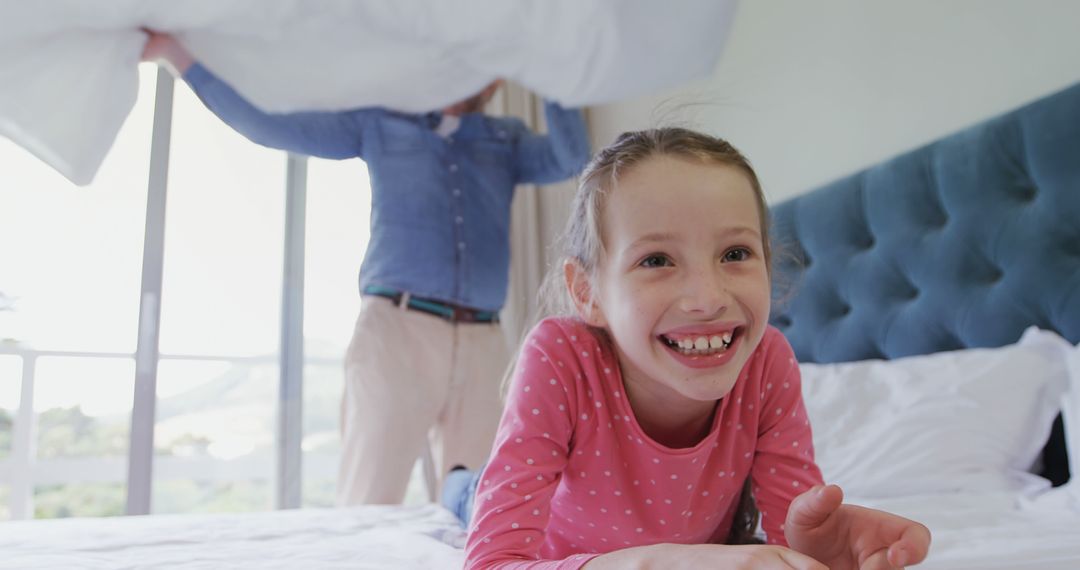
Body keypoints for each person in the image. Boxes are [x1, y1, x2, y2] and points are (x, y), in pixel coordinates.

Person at [140, 32, 591, 505]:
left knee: (483, 503)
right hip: (398, 332)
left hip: (484, 341)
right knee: (369, 497)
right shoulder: (382, 124)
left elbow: (573, 157)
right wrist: (180, 59)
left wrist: (550, 69)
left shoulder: (506, 140)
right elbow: (268, 123)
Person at [448, 128, 931, 569]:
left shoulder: (766, 361)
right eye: (656, 260)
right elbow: (492, 562)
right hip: (541, 519)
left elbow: (793, 538)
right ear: (586, 292)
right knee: (468, 495)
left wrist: (815, 548)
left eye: (735, 254)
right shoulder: (562, 358)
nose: (707, 299)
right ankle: (458, 481)